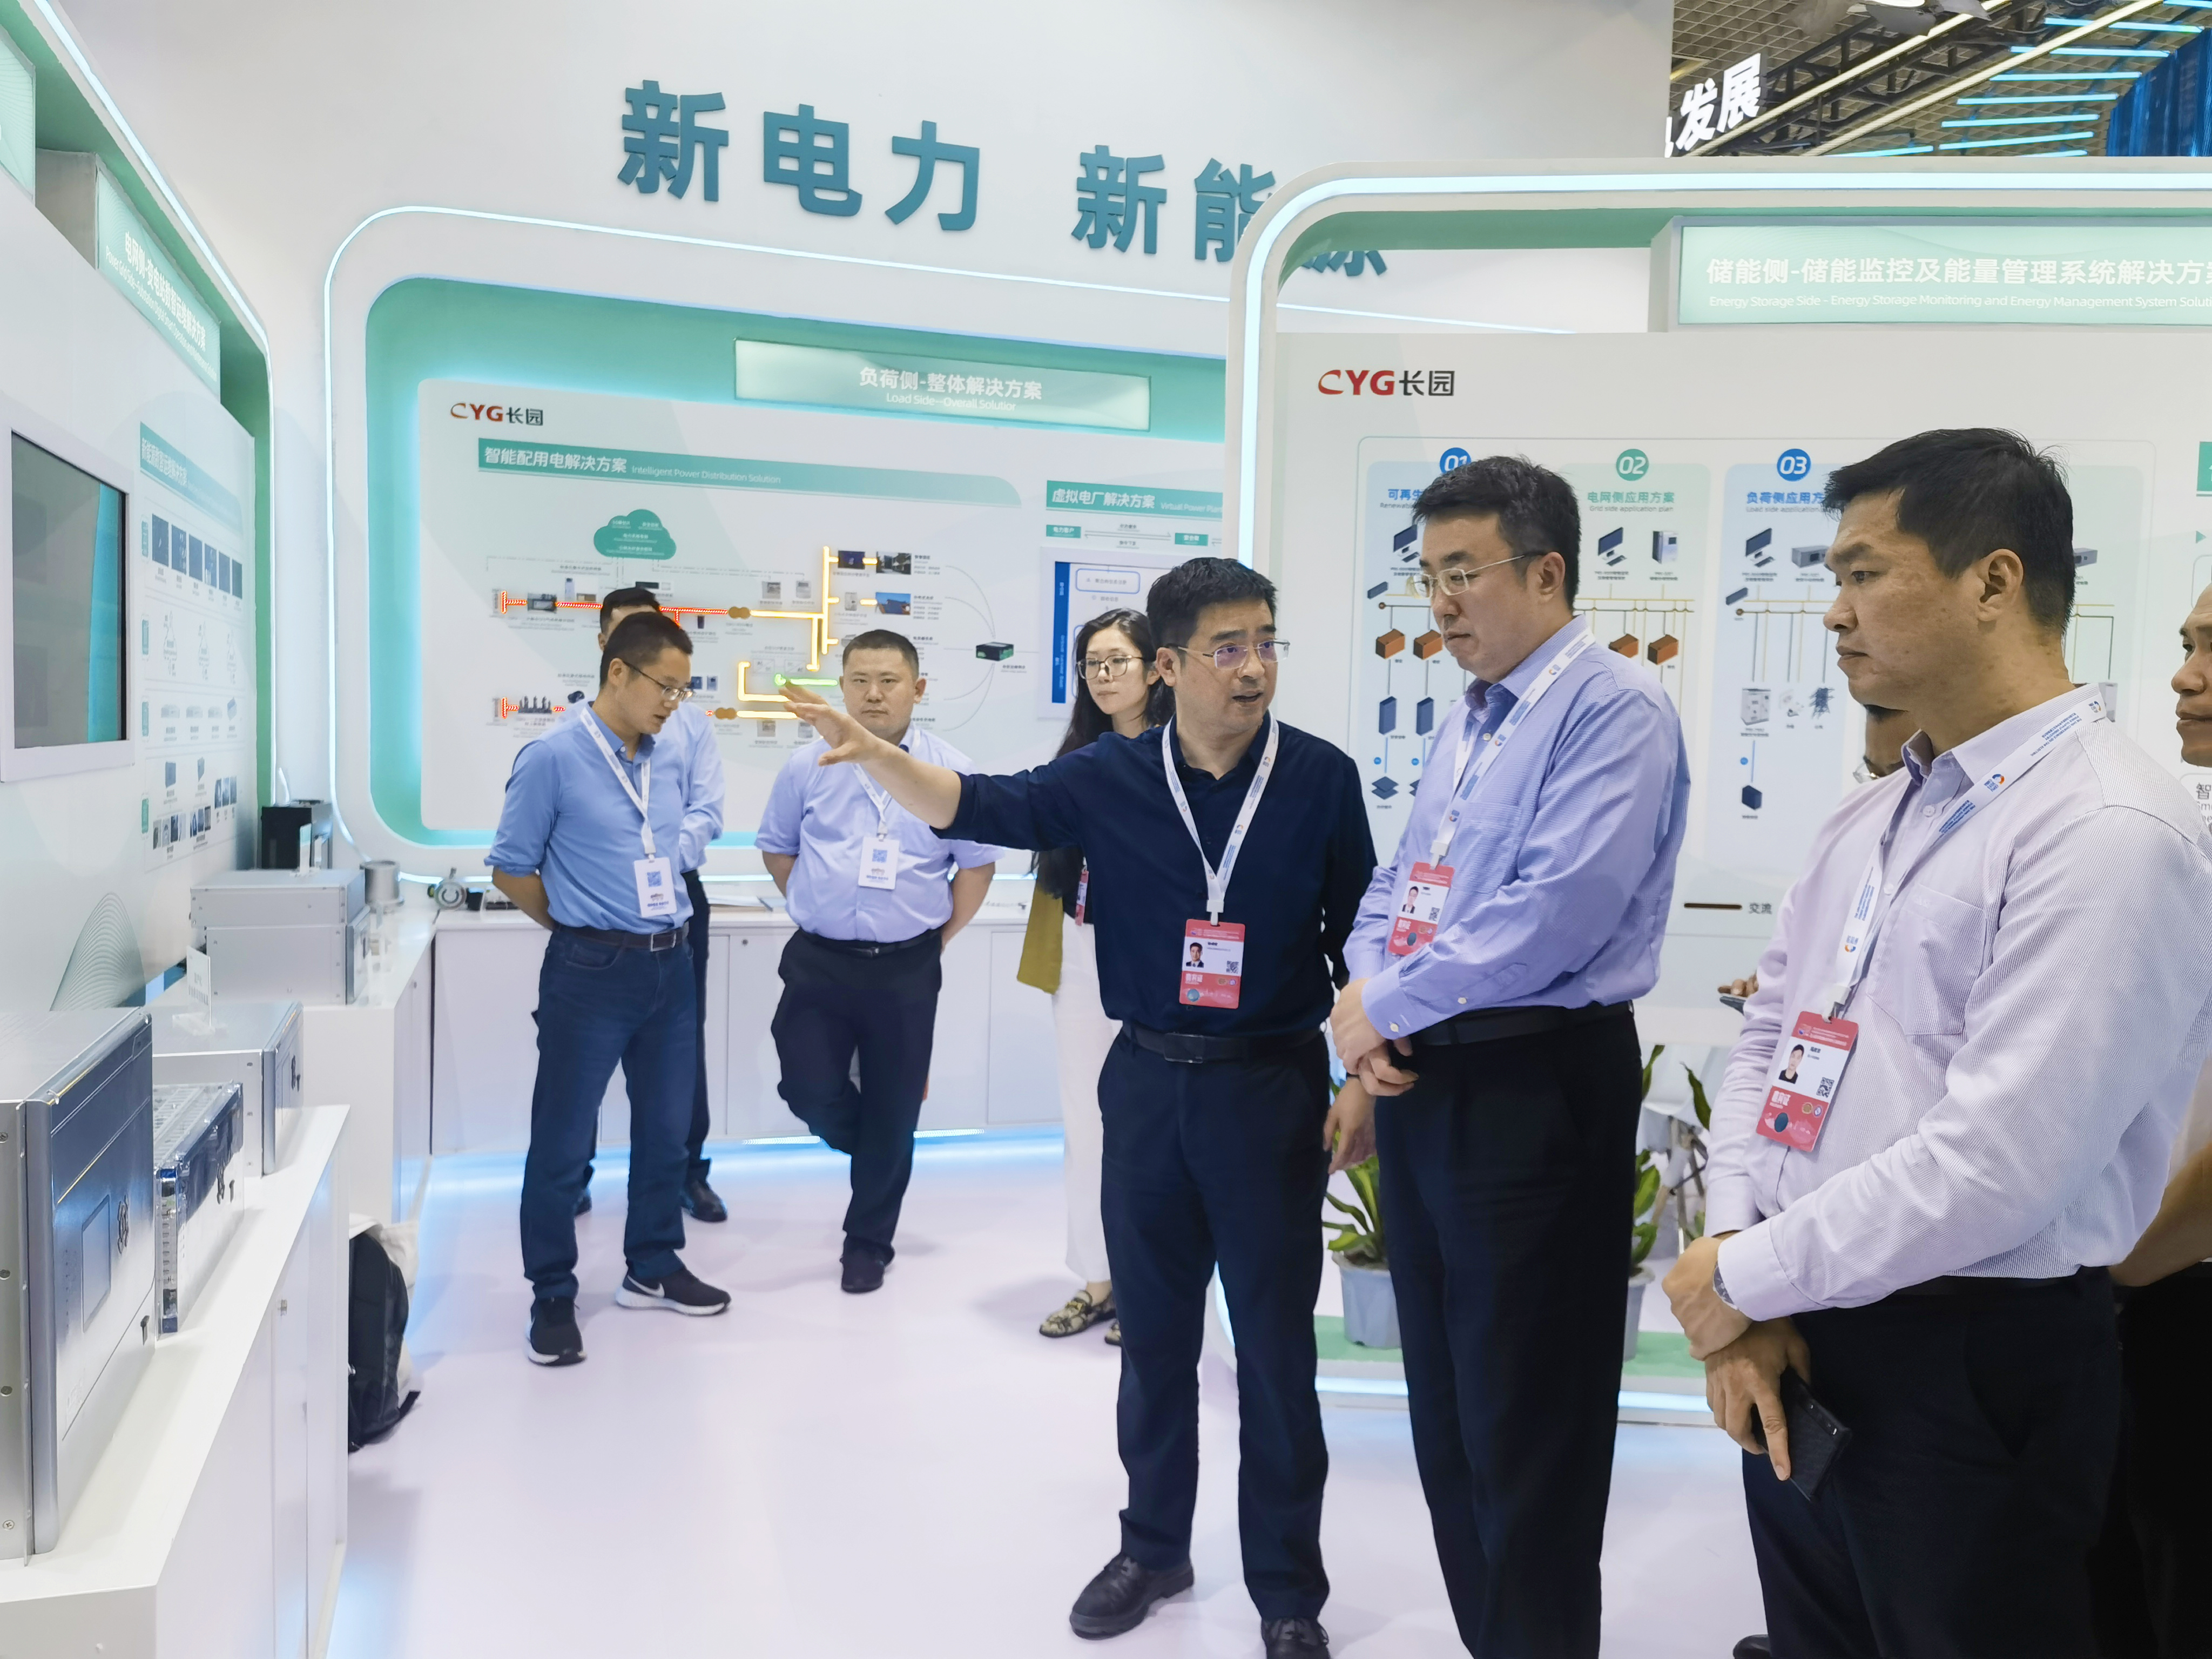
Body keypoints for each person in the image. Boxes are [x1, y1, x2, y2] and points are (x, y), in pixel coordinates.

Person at [1664, 429, 2212, 1658]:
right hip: (1799, 1324)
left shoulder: (2107, 827)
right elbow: (1772, 1037)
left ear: (1993, 581)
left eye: (1865, 572)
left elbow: (1999, 1162)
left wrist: (1744, 1276)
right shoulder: (1878, 810)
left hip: (1968, 1354)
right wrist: (1746, 1270)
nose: (1835, 611)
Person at [782, 557, 1376, 1659]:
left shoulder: (1320, 778)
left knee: (1274, 1355)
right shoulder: (1108, 775)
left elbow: (1358, 938)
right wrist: (876, 755)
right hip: (1144, 1086)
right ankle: (1153, 1548)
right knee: (1152, 1344)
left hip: (1269, 1088)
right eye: (1227, 648)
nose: (1252, 668)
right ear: (1169, 666)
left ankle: (1288, 1591)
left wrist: (1364, 1080)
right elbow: (979, 805)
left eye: (1265, 642)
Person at [1327, 455, 1688, 1659]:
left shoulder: (1613, 708)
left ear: (1544, 572)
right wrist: (1369, 995)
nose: (1439, 601)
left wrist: (1385, 1006)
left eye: (1462, 572)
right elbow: (1402, 878)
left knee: (1529, 1420)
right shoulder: (1473, 716)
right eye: (1428, 576)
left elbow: (1557, 913)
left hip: (1536, 1082)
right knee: (1448, 1409)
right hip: (1432, 1076)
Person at [488, 610, 733, 1367]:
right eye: (666, 686)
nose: (674, 704)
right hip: (591, 972)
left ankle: (652, 1264)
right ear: (618, 672)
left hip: (671, 966)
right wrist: (578, 927)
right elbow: (511, 868)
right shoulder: (553, 757)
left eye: (684, 691)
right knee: (563, 1142)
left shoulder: (664, 757)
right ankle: (551, 1292)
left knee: (666, 1132)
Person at [755, 628, 1000, 1294]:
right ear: (842, 688)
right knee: (806, 1086)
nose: (873, 694)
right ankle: (874, 1147)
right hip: (819, 959)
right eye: (859, 680)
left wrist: (937, 940)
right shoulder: (806, 766)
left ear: (917, 689)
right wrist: (817, 902)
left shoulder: (950, 772)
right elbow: (778, 848)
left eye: (888, 681)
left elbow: (975, 866)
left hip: (906, 967)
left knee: (895, 1105)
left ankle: (868, 1243)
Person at [2087, 582, 2212, 1658]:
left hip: (2174, 1280)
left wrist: (2116, 1271)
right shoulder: (2188, 839)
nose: (2183, 677)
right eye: (2184, 645)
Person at [1021, 607, 1169, 1347]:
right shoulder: (1079, 756)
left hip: (1159, 961)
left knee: (1156, 1130)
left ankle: (1153, 1285)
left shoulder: (1185, 754)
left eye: (1118, 661)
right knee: (1087, 1124)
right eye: (1092, 664)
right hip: (1080, 953)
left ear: (1156, 668)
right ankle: (1099, 1281)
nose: (1104, 676)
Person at [575, 586, 729, 1225]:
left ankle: (687, 1174)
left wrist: (661, 859)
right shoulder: (573, 733)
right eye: (623, 632)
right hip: (600, 905)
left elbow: (707, 809)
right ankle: (575, 1173)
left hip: (675, 898)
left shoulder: (691, 724)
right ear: (607, 650)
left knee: (679, 1043)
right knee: (585, 1047)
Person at [1722, 701, 1913, 1007]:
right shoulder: (1838, 853)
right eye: (1873, 775)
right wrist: (1771, 995)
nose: (1880, 794)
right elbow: (1787, 977)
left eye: (1901, 777)